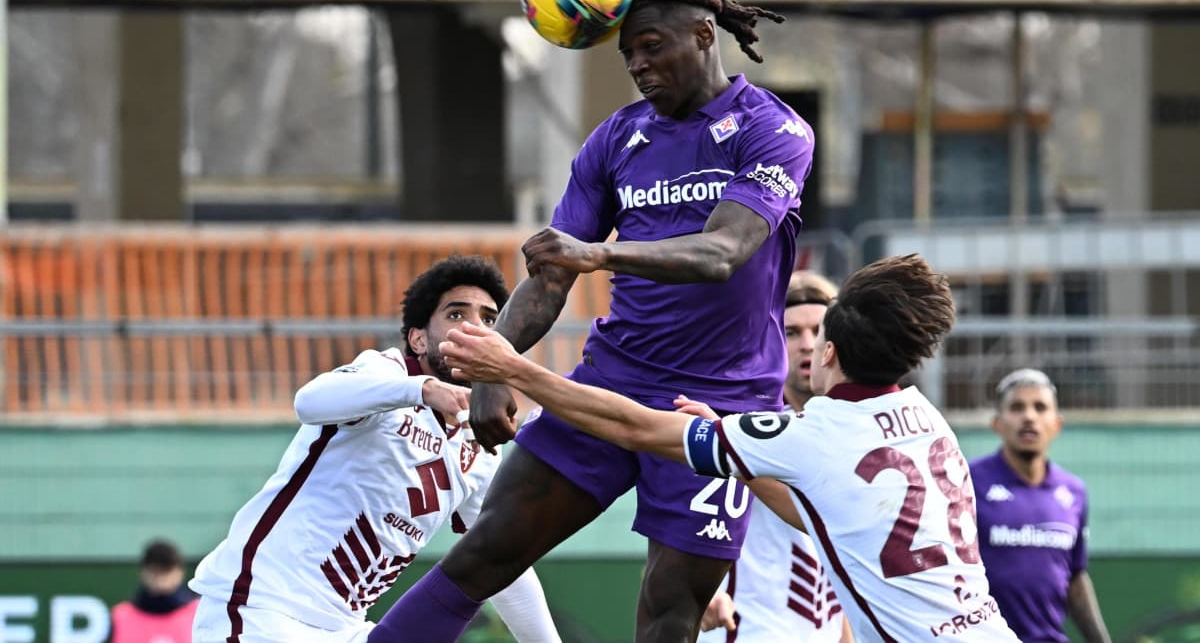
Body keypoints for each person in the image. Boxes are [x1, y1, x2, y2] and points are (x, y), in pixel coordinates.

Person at [371, 0, 809, 643]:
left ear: (703, 35)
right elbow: (550, 275)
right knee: (485, 552)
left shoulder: (772, 131)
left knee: (670, 609)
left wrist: (598, 254)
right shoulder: (614, 140)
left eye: (651, 46)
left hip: (721, 407)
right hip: (610, 383)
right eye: (626, 52)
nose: (637, 64)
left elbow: (724, 251)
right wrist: (497, 369)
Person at [437, 254, 1022, 642]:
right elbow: (814, 510)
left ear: (829, 354)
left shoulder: (813, 436)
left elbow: (639, 428)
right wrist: (740, 454)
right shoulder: (927, 420)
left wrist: (515, 368)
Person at [188, 255, 561, 643]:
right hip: (263, 611)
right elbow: (309, 401)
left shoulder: (479, 444)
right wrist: (422, 390)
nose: (474, 328)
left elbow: (499, 556)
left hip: (343, 628)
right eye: (455, 315)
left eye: (488, 319)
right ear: (418, 339)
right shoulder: (387, 374)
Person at [698, 270, 852, 643]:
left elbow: (840, 562)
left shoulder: (854, 432)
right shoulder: (736, 428)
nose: (807, 344)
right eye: (791, 332)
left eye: (819, 331)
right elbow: (675, 535)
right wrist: (701, 593)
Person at [969, 369, 1112, 643]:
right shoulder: (969, 482)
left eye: (1040, 407)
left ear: (1056, 424)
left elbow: (1074, 578)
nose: (1029, 417)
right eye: (1017, 407)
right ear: (998, 423)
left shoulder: (1074, 492)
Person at [110, 538, 200, 643]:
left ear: (180, 572)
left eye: (166, 571)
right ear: (143, 572)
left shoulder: (199, 613)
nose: (160, 578)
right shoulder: (119, 617)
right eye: (154, 571)